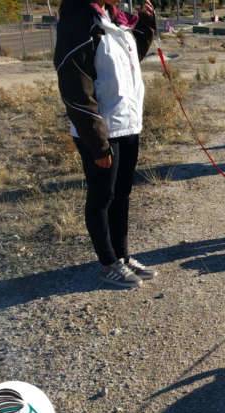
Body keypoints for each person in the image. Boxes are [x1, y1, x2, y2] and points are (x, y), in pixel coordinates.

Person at [54, 0, 158, 288]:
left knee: (121, 194)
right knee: (102, 198)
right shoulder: (79, 20)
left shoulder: (113, 18)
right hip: (100, 130)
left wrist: (146, 25)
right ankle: (108, 263)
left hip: (127, 123)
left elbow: (131, 58)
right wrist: (97, 142)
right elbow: (75, 84)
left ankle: (123, 257)